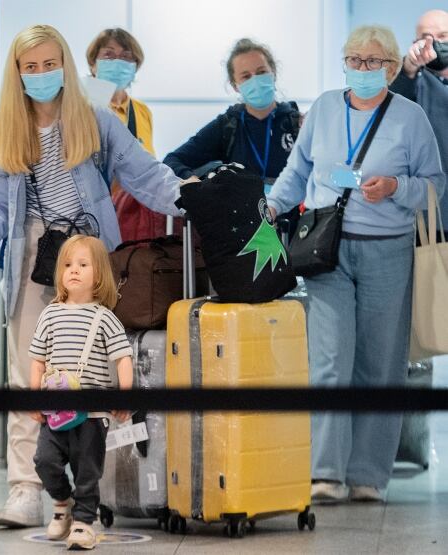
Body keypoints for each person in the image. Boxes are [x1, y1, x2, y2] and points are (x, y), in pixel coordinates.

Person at [0, 24, 182, 528]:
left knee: (98, 364)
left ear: (66, 66)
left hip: (88, 249)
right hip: (33, 249)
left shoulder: (95, 120)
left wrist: (191, 197)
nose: (40, 74)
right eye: (29, 67)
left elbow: (145, 173)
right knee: (28, 370)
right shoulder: (8, 128)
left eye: (49, 64)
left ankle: (101, 488)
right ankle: (27, 489)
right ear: (16, 73)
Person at [266, 25, 445, 503]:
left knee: (379, 365)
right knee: (328, 362)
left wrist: (395, 188)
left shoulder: (410, 118)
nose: (363, 70)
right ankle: (325, 472)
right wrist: (272, 206)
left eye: (374, 62)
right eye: (355, 60)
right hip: (327, 249)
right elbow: (298, 170)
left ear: (391, 67)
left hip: (389, 250)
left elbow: (434, 186)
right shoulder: (324, 108)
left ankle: (368, 474)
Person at [30, 235, 133, 550]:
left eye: (83, 265)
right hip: (56, 410)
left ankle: (85, 521)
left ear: (99, 274)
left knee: (87, 469)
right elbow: (37, 359)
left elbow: (123, 359)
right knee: (44, 459)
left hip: (92, 414)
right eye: (67, 265)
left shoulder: (105, 318)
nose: (73, 270)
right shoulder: (49, 314)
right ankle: (63, 503)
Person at [164, 38, 302, 238]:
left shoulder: (297, 124)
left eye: (261, 72)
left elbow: (324, 173)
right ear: (235, 85)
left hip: (293, 231)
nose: (255, 80)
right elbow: (173, 160)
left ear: (273, 72)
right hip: (243, 233)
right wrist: (196, 182)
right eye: (246, 76)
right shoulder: (228, 125)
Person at [85, 28, 166, 241]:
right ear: (93, 64)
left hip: (132, 217)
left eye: (126, 56)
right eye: (108, 54)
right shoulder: (81, 108)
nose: (117, 61)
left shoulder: (142, 111)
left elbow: (147, 161)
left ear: (135, 67)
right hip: (90, 214)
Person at [389, 9, 448, 226]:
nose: (435, 44)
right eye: (426, 39)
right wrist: (410, 66)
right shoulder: (413, 82)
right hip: (434, 215)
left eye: (443, 36)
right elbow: (392, 108)